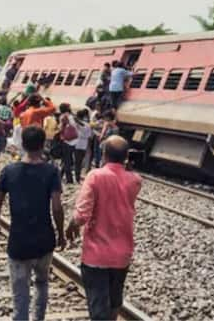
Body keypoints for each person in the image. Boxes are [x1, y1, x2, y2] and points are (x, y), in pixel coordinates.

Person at [0, 126, 65, 321]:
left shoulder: (9, 171)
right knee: (42, 282)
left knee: (20, 291)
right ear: (43, 145)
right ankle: (38, 318)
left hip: (18, 241)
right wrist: (61, 234)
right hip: (44, 240)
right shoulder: (51, 171)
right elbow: (57, 207)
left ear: (22, 144)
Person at [66, 136, 141, 321]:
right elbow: (129, 180)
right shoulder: (135, 180)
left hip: (96, 254)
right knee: (114, 303)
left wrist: (71, 225)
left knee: (98, 309)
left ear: (104, 154)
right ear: (126, 157)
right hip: (122, 254)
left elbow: (82, 215)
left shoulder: (96, 176)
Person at [58, 103, 78, 183]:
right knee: (67, 160)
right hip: (74, 140)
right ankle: (60, 176)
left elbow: (61, 128)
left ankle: (69, 179)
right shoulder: (72, 116)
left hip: (67, 141)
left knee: (66, 161)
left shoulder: (63, 117)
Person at [73, 109, 93, 182]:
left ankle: (77, 177)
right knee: (80, 162)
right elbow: (89, 136)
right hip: (83, 145)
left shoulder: (75, 124)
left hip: (75, 144)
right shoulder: (87, 125)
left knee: (76, 162)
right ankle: (78, 176)